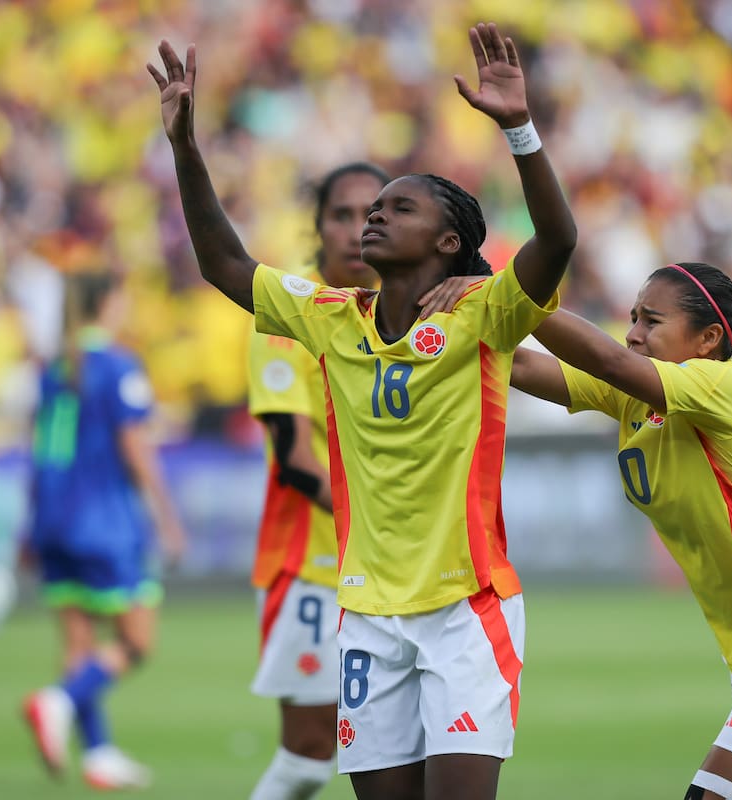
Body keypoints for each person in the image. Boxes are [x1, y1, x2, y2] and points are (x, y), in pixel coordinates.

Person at [148, 22, 576, 800]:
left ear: (447, 242)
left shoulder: (483, 316)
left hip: (465, 609)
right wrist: (184, 147)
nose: (372, 217)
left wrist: (519, 130)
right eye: (368, 208)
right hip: (368, 617)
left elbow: (558, 239)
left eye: (397, 208)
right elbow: (223, 263)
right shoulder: (330, 317)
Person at [498, 262, 732, 800]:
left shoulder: (724, 385)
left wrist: (504, 292)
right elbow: (518, 365)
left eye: (651, 321)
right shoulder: (636, 397)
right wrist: (441, 322)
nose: (633, 333)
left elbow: (605, 357)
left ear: (708, 340)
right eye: (633, 317)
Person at [245, 161, 390, 800]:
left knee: (401, 756)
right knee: (308, 759)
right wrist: (382, 520)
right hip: (313, 564)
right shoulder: (288, 312)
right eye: (341, 215)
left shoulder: (412, 312)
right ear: (318, 225)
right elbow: (293, 458)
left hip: (393, 569)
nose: (356, 230)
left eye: (372, 215)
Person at [21, 270, 187, 790]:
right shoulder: (118, 365)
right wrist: (167, 515)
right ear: (108, 303)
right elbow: (134, 446)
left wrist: (28, 526)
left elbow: (40, 448)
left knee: (79, 640)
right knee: (137, 641)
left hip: (54, 520)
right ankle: (58, 700)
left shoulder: (56, 367)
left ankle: (97, 753)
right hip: (104, 523)